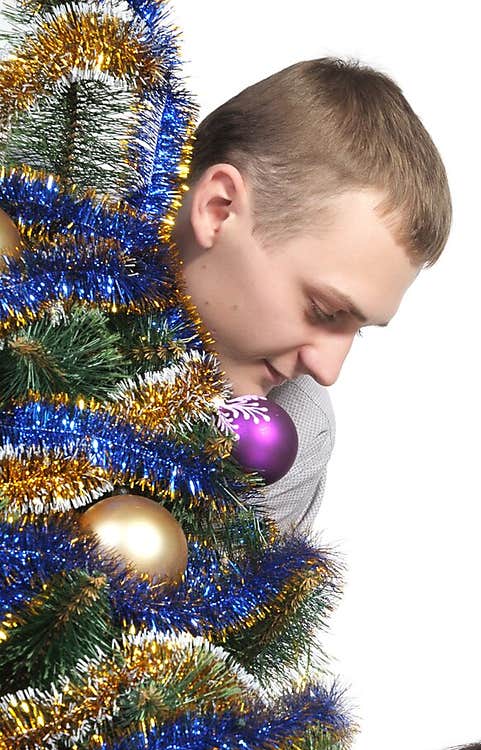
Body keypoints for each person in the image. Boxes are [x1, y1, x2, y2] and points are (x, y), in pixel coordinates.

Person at [170, 57, 452, 532]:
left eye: (356, 333)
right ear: (219, 209)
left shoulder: (297, 425)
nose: (328, 370)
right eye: (323, 311)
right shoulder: (30, 269)